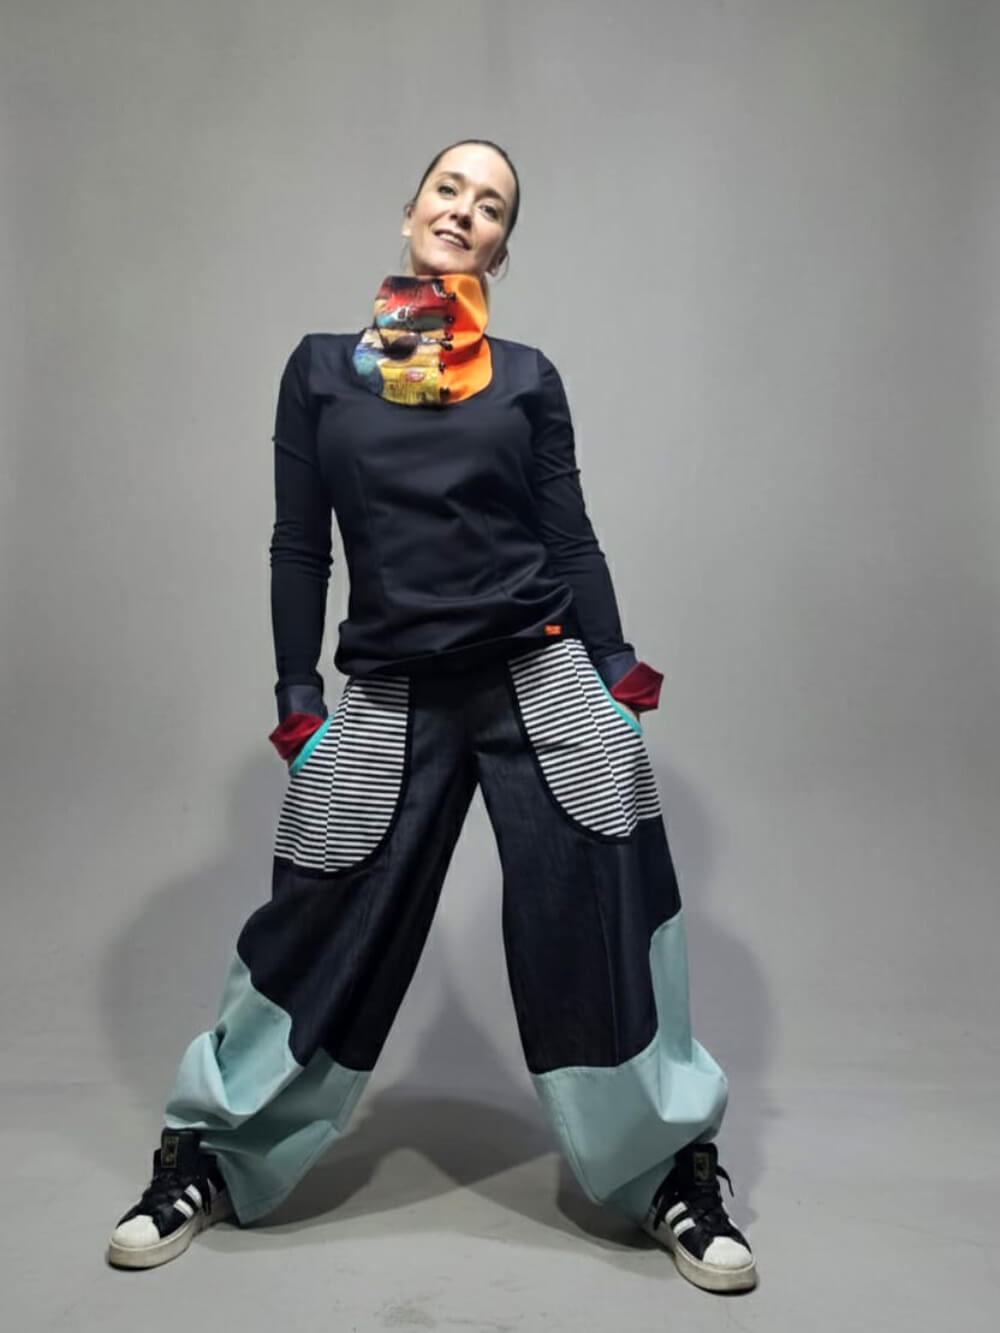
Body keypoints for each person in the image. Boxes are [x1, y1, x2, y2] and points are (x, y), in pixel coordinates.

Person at [105, 139, 758, 1294]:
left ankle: (668, 1171)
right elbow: (299, 543)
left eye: (490, 204)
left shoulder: (527, 377)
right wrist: (296, 698)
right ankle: (206, 1153)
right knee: (317, 918)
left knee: (604, 907)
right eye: (449, 188)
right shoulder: (321, 371)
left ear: (502, 248)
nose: (465, 209)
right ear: (410, 209)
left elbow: (568, 534)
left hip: (535, 671)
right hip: (394, 685)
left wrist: (615, 671)